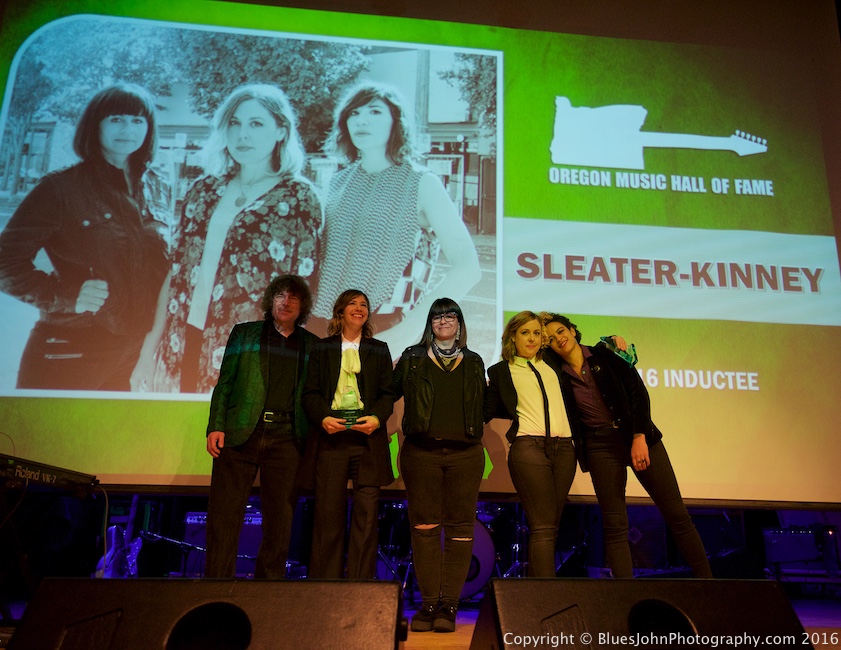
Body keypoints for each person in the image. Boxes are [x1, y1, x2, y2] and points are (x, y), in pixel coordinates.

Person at [133, 83, 322, 393]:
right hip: (182, 339)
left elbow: (301, 289)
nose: (242, 134)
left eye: (256, 123)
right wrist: (151, 343)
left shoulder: (298, 198)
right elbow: (177, 271)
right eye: (234, 123)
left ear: (281, 131)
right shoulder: (203, 190)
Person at [0, 83, 169, 390]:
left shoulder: (159, 186)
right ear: (96, 125)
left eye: (137, 120)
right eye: (116, 119)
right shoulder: (60, 188)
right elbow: (5, 262)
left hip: (135, 354)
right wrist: (66, 295)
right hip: (69, 349)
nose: (127, 129)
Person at [310, 82, 480, 353]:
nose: (361, 120)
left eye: (375, 112)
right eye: (354, 113)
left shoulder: (422, 183)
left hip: (384, 329)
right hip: (321, 327)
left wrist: (410, 330)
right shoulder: (337, 182)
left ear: (396, 123)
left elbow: (468, 267)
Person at [541, 312, 712, 578]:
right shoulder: (556, 373)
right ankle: (626, 596)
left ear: (573, 331)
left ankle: (709, 586)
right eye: (550, 338)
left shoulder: (607, 353)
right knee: (615, 526)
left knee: (677, 515)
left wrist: (639, 435)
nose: (558, 339)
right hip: (599, 447)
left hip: (637, 437)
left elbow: (638, 394)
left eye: (561, 331)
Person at [204, 274, 318, 579]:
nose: (286, 302)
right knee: (224, 517)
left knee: (280, 522)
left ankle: (267, 592)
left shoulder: (312, 345)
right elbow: (224, 383)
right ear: (271, 300)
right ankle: (216, 586)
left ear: (302, 306)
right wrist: (215, 425)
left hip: (287, 440)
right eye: (280, 295)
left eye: (294, 297)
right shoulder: (245, 333)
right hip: (242, 434)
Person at [392, 298, 485, 633]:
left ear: (459, 323)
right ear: (429, 323)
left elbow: (483, 406)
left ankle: (449, 605)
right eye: (437, 316)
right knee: (425, 529)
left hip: (466, 455)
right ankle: (428, 604)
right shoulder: (411, 358)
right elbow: (384, 393)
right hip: (422, 453)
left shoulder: (475, 361)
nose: (444, 320)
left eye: (451, 315)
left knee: (461, 530)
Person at [302, 289, 395, 579]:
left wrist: (377, 418)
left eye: (364, 304)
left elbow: (387, 394)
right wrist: (323, 419)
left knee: (366, 518)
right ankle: (324, 585)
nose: (359, 308)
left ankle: (360, 586)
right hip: (332, 440)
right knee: (328, 517)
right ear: (340, 311)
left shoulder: (378, 348)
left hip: (368, 442)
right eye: (353, 304)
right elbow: (311, 393)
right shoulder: (322, 348)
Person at [483, 311, 578, 578]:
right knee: (544, 527)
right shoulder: (502, 370)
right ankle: (544, 597)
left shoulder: (552, 362)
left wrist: (610, 342)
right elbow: (484, 409)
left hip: (565, 450)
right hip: (529, 449)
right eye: (525, 332)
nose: (532, 338)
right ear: (513, 336)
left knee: (551, 527)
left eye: (537, 333)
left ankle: (536, 594)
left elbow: (574, 343)